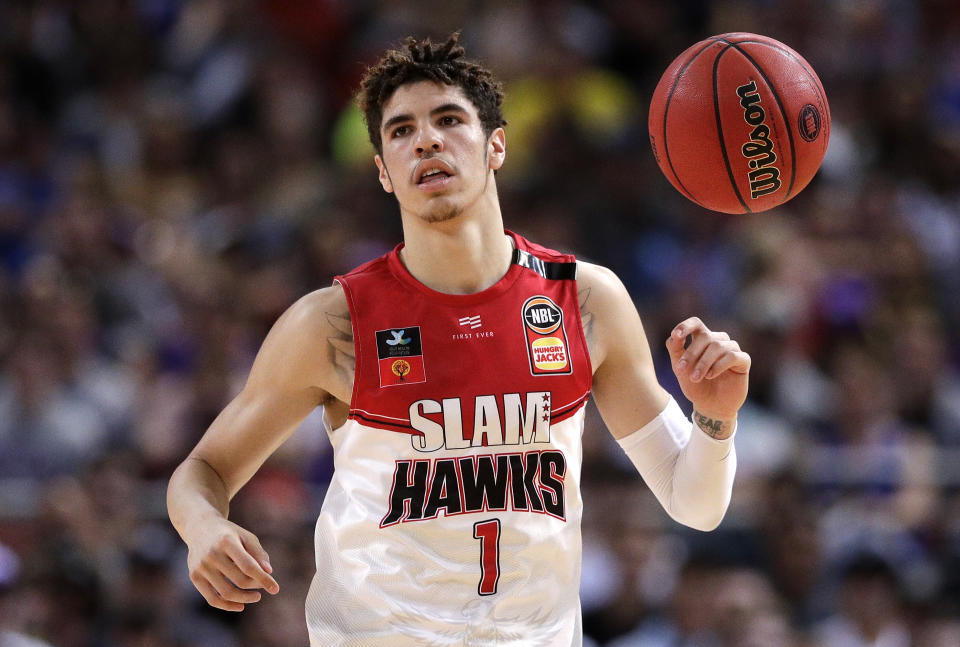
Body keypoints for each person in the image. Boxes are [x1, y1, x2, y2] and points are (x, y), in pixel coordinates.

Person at [166, 32, 750, 646]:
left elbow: (695, 505)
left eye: (448, 119)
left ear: (496, 145)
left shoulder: (584, 300)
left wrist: (714, 419)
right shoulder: (332, 324)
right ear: (384, 174)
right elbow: (203, 470)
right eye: (400, 131)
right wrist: (204, 527)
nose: (426, 140)